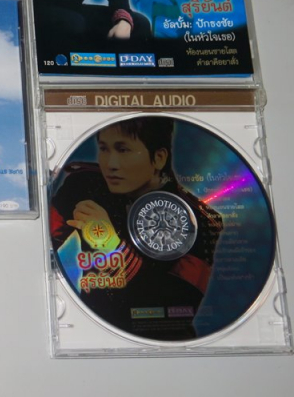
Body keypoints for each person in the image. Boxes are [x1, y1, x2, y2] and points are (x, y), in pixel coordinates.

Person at [49, 118, 223, 340]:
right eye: (104, 149)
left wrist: (112, 245)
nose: (110, 164)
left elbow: (175, 305)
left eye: (123, 150)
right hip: (87, 329)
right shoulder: (84, 185)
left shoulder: (201, 221)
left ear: (158, 158)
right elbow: (42, 246)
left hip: (160, 342)